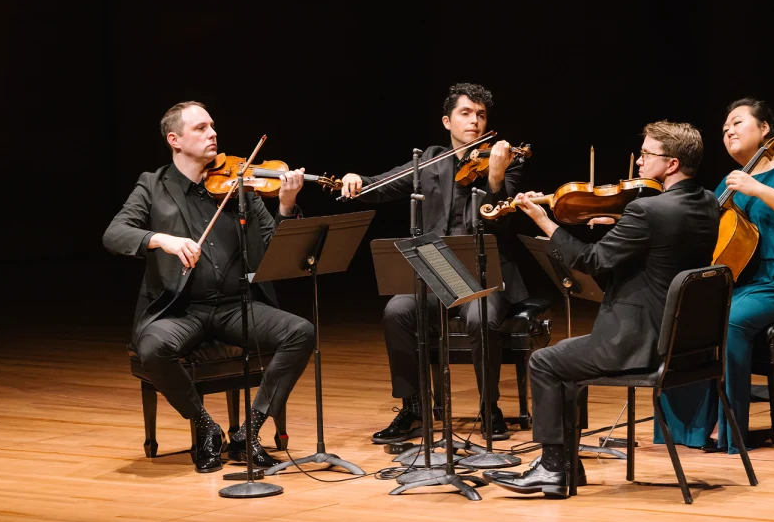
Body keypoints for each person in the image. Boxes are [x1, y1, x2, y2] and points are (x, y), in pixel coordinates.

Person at [487, 121, 719, 498]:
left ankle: (552, 468)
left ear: (672, 164)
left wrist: (542, 219)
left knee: (546, 362)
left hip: (637, 342)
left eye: (647, 155)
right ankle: (565, 464)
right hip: (685, 344)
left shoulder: (647, 211)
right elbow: (668, 240)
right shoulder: (708, 202)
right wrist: (619, 221)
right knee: (566, 362)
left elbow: (591, 260)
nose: (640, 163)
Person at [102, 101, 315, 473]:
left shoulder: (241, 185)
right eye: (200, 128)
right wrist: (161, 240)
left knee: (300, 332)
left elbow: (277, 248)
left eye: (212, 126)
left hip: (236, 306)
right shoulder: (152, 185)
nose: (212, 133)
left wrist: (286, 204)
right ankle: (205, 428)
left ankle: (248, 432)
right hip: (181, 309)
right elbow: (115, 234)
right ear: (175, 140)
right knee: (153, 347)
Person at [341, 82, 529, 443]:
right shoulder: (429, 160)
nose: (474, 121)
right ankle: (413, 407)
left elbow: (498, 216)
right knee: (397, 311)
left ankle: (489, 406)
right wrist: (356, 181)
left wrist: (495, 174)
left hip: (485, 274)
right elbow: (381, 184)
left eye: (481, 115)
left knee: (481, 318)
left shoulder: (507, 160)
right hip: (437, 271)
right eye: (465, 113)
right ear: (447, 121)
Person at [657, 97, 774, 454]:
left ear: (766, 129)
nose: (728, 130)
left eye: (737, 123)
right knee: (684, 318)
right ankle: (688, 428)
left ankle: (729, 426)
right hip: (746, 284)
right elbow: (700, 224)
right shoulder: (731, 183)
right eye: (724, 128)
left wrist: (759, 188)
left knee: (730, 320)